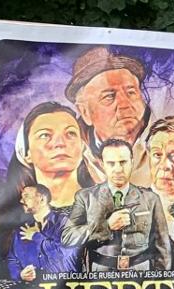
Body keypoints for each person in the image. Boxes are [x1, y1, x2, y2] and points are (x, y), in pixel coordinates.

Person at [61, 139, 171, 271]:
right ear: (102, 165)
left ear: (132, 162)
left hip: (140, 273)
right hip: (100, 273)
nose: (118, 169)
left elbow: (162, 246)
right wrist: (106, 226)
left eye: (123, 162)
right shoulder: (86, 197)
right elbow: (68, 237)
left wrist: (162, 281)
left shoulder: (150, 199)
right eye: (111, 163)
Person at [65, 46, 153, 186]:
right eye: (109, 96)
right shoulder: (68, 157)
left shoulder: (168, 144)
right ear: (85, 112)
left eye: (131, 92)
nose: (125, 104)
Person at [3, 102, 96, 211]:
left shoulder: (102, 203)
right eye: (45, 135)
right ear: (26, 153)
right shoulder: (13, 215)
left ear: (82, 147)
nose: (60, 143)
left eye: (70, 133)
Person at [6, 184, 80, 281]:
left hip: (64, 287)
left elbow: (64, 253)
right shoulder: (22, 229)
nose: (21, 200)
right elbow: (12, 259)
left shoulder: (64, 224)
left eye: (26, 196)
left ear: (42, 200)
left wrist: (36, 236)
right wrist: (20, 274)